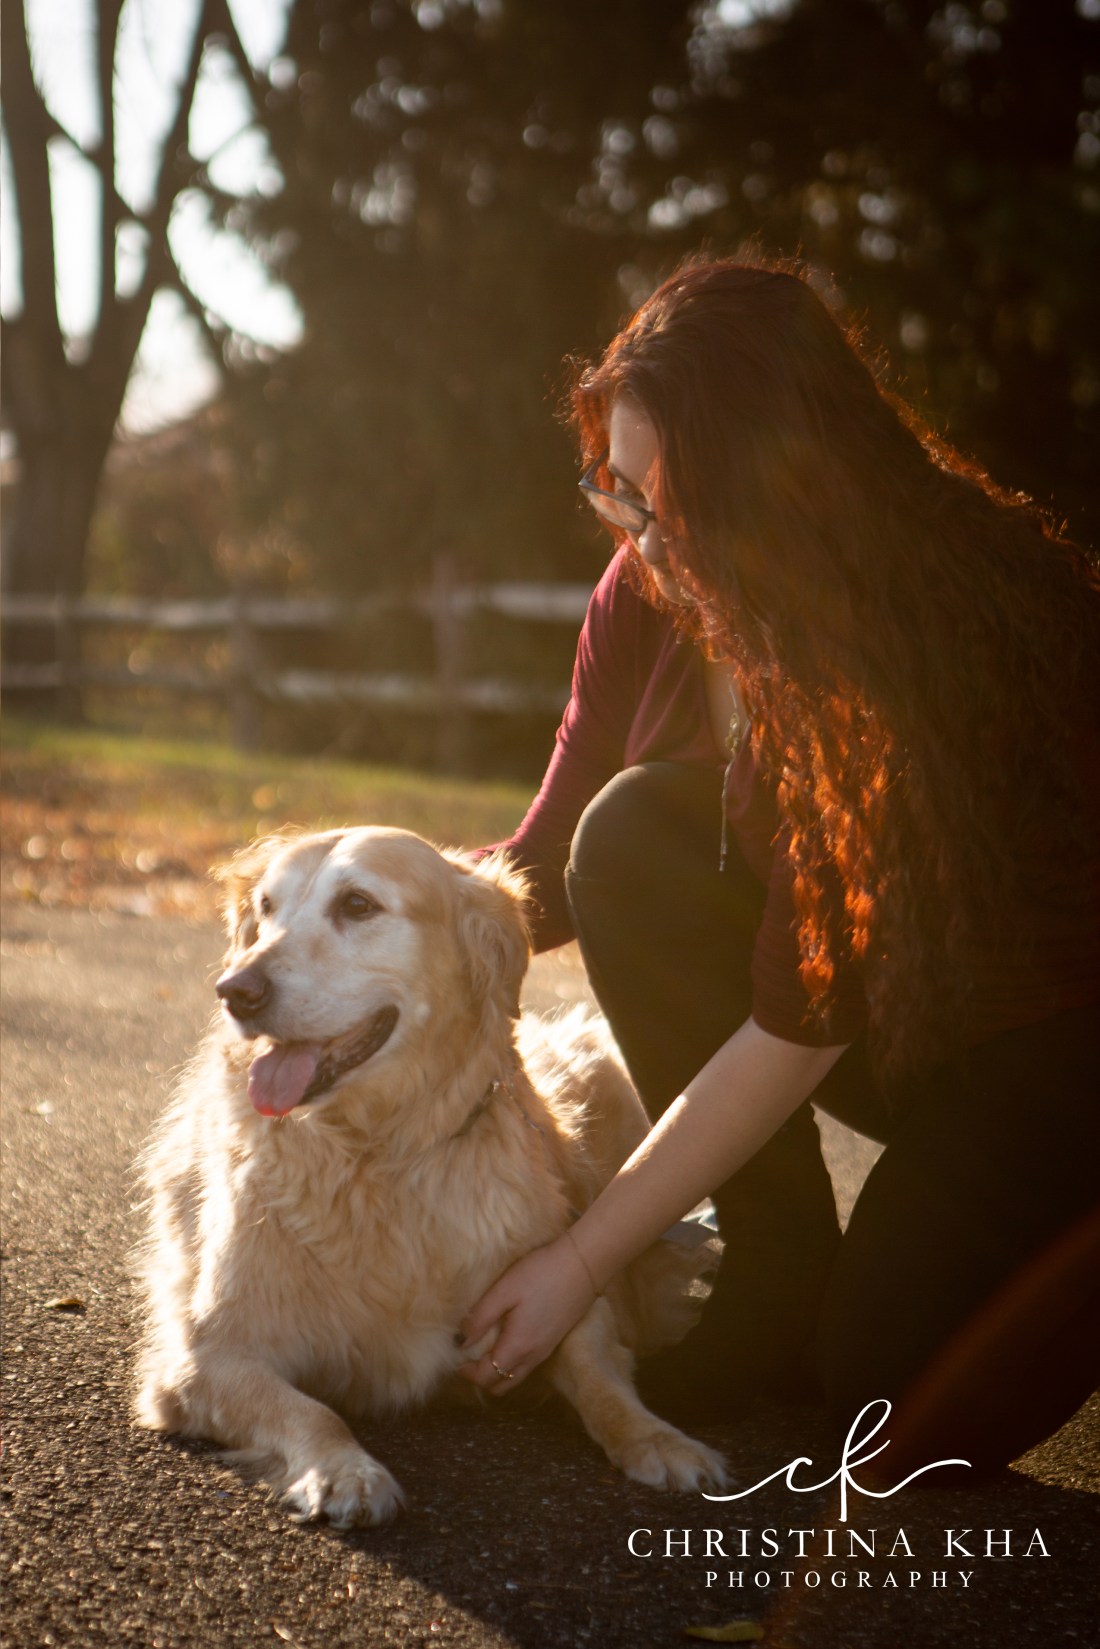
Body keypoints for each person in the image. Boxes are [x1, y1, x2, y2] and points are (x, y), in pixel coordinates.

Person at [457, 256, 1100, 1477]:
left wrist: (575, 1260)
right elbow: (543, 852)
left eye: (661, 499)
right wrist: (352, 929)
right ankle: (775, 1269)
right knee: (636, 834)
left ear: (767, 488)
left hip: (1048, 1051)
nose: (634, 536)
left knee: (888, 1401)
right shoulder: (656, 583)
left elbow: (794, 1021)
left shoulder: (913, 633)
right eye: (613, 488)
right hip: (909, 1012)